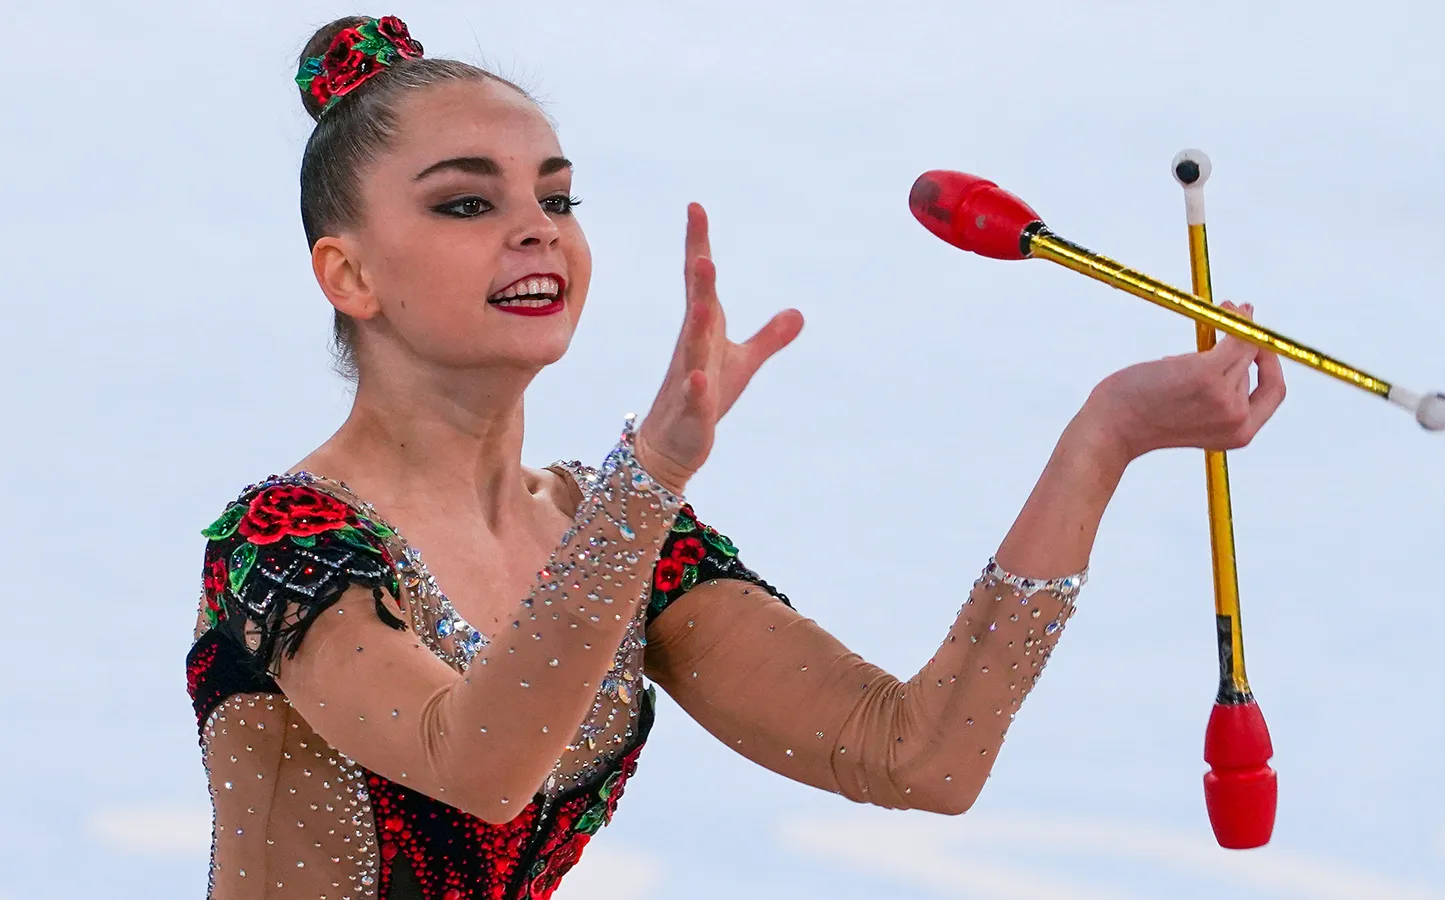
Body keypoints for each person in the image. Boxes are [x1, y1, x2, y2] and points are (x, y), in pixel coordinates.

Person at [183, 14, 1287, 900]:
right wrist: (650, 477)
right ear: (349, 275)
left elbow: (919, 755)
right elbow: (478, 768)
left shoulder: (611, 536)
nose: (538, 228)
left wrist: (1105, 438)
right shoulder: (285, 547)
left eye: (557, 197)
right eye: (467, 202)